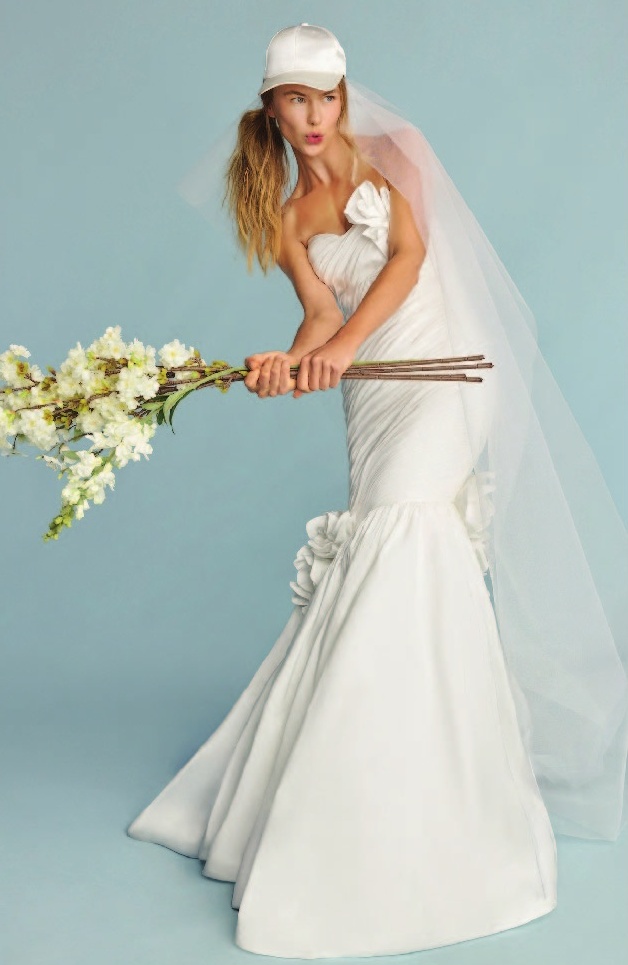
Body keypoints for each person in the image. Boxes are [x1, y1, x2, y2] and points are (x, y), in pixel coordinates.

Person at [127, 24, 628, 958]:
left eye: (325, 98)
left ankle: (432, 820)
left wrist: (343, 347)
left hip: (443, 382)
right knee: (384, 551)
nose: (312, 118)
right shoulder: (283, 217)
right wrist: (290, 363)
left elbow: (405, 259)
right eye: (294, 100)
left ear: (344, 98)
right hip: (373, 397)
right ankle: (380, 789)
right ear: (270, 106)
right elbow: (321, 315)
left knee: (406, 539)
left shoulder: (398, 154)